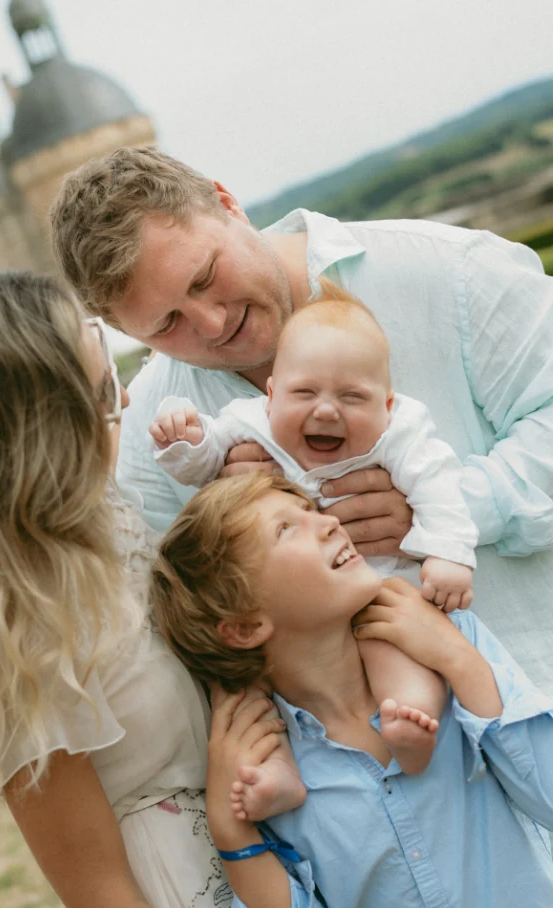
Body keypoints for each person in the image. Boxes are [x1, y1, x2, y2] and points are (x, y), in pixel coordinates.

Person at [49, 147, 553, 908]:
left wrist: (451, 509)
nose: (208, 324)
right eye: (164, 324)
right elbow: (184, 620)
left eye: (205, 276)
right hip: (415, 879)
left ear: (226, 200)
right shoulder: (160, 435)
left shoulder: (439, 271)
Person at [0, 274, 397, 908]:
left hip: (266, 878)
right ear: (37, 421)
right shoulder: (15, 621)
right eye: (103, 387)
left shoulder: (103, 517)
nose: (127, 400)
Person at [151, 472, 553, 908]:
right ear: (244, 626)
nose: (327, 522)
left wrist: (457, 658)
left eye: (312, 509)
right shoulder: (260, 767)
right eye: (286, 529)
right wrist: (232, 830)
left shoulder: (444, 641)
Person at [150, 280, 477, 786]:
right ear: (271, 394)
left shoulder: (402, 432)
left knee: (396, 650)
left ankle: (410, 720)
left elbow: (439, 485)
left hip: (375, 588)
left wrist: (448, 553)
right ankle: (274, 770)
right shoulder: (249, 422)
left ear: (387, 405)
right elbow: (204, 460)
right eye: (304, 393)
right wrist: (186, 442)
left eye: (353, 397)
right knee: (250, 678)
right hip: (293, 616)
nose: (326, 411)